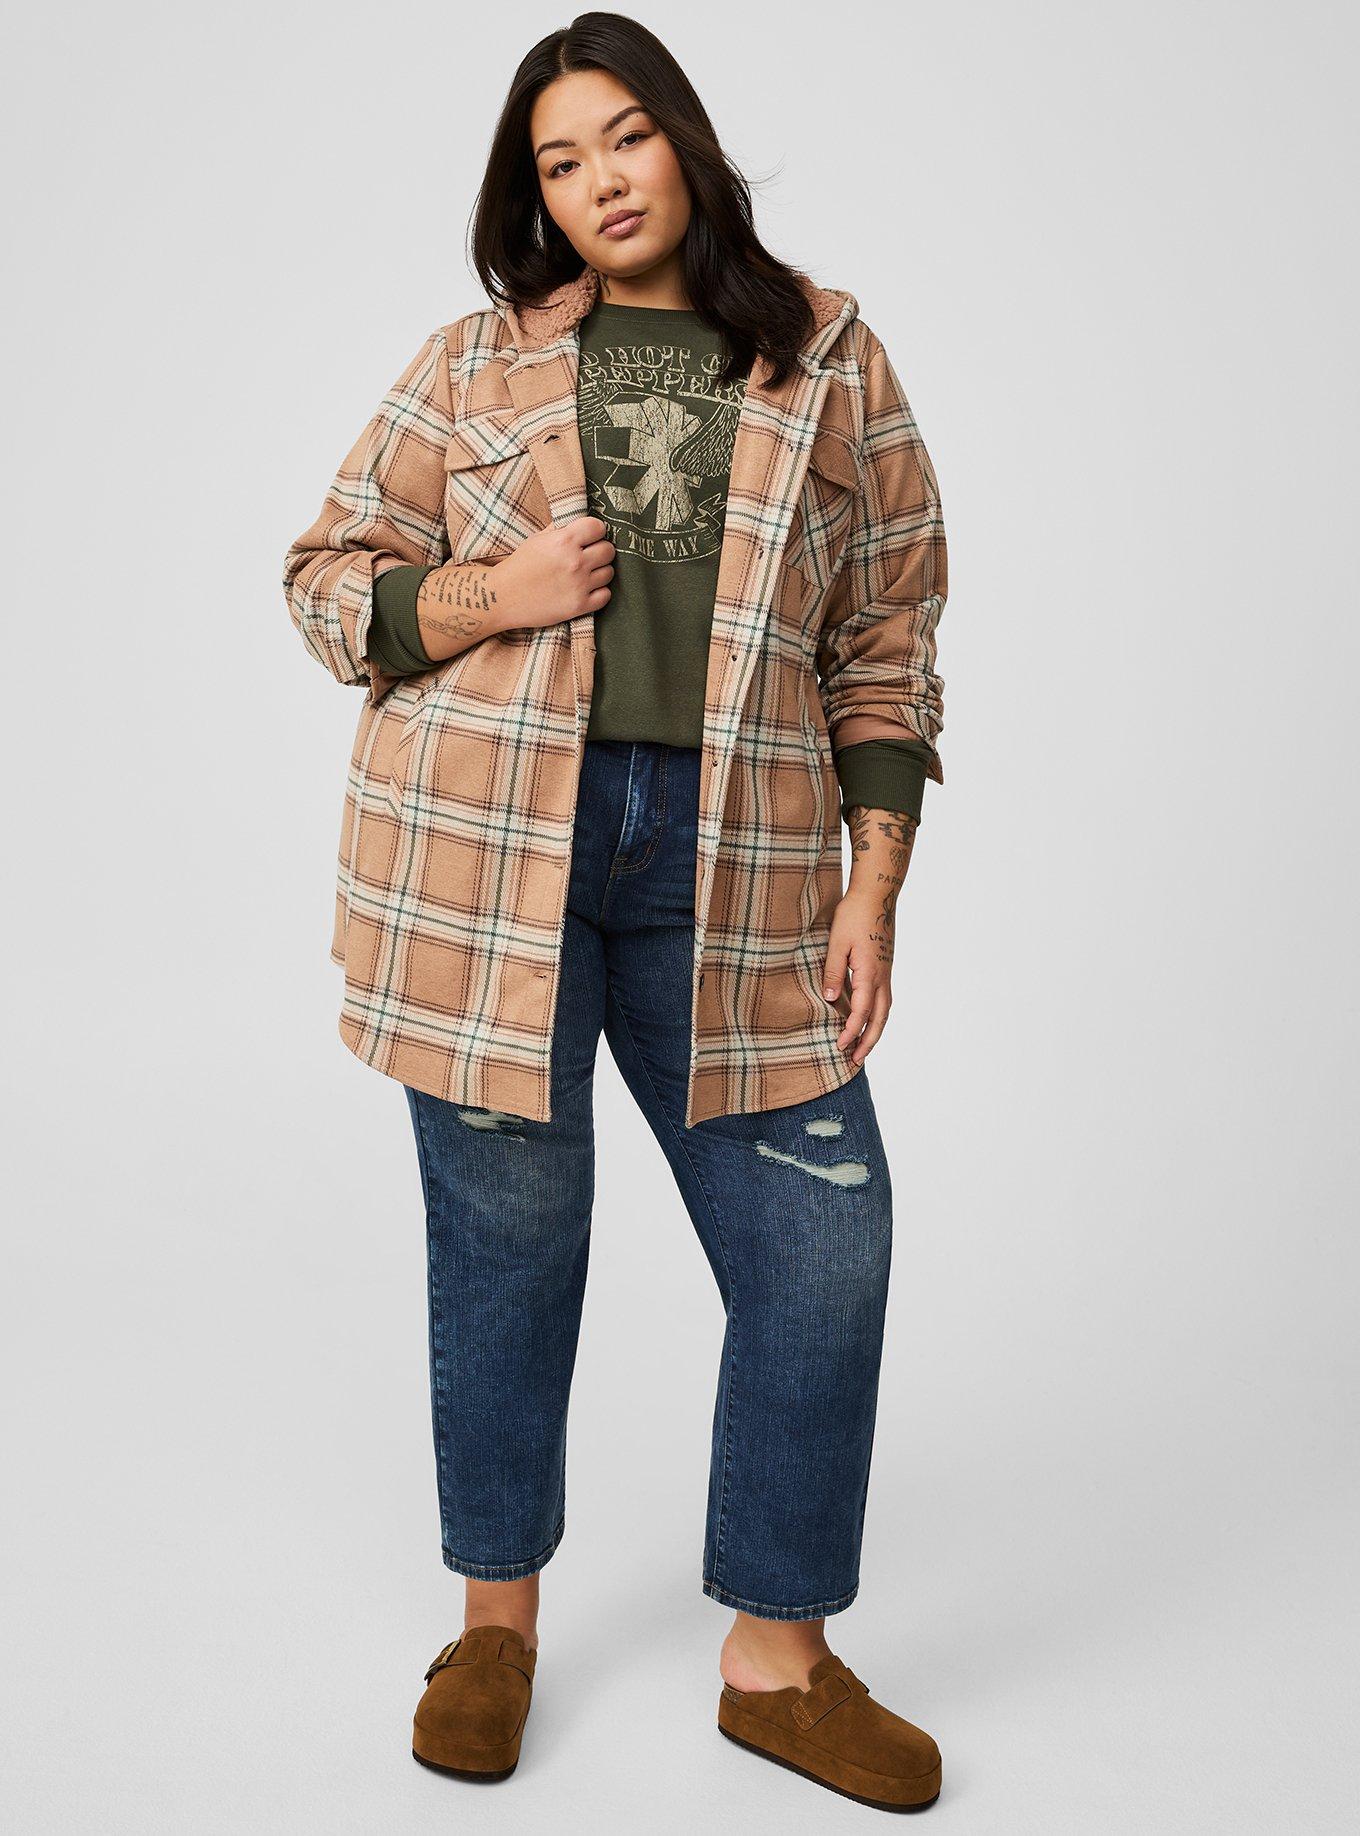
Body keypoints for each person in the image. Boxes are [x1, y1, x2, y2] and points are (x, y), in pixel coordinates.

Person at [281, 11, 948, 1813]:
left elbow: (889, 632)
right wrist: (489, 593)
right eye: (559, 163)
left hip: (740, 862)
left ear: (687, 143)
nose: (600, 183)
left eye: (626, 137)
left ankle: (776, 1662)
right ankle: (493, 1630)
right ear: (538, 196)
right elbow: (325, 578)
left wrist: (875, 882)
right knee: (509, 1249)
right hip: (489, 858)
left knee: (824, 1249)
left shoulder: (829, 358)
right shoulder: (472, 366)